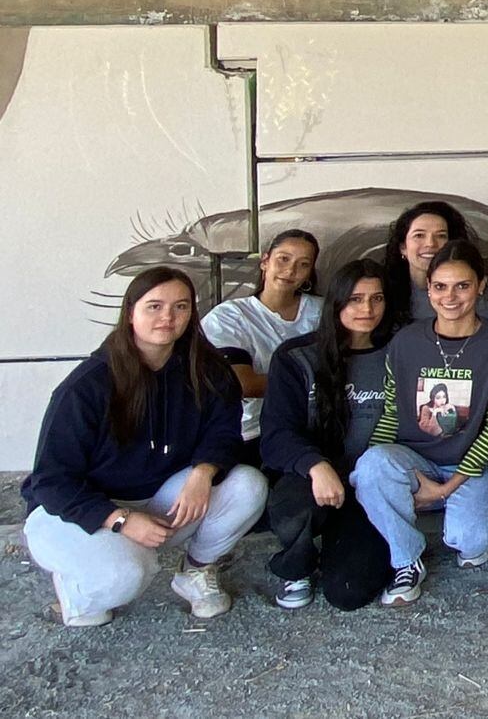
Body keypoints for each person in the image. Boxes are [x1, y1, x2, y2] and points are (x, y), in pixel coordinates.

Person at [21, 267, 266, 626]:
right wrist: (118, 519)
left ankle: (196, 572)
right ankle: (77, 589)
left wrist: (204, 472)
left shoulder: (207, 371)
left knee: (248, 485)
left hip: (156, 497)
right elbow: (51, 481)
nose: (168, 317)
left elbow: (224, 434)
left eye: (180, 307)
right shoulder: (86, 386)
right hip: (71, 511)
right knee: (125, 577)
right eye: (155, 306)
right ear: (131, 312)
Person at [353, 240, 488, 606]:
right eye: (440, 286)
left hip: (477, 466)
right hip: (418, 459)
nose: (451, 297)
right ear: (427, 288)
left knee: (470, 543)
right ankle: (406, 560)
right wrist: (388, 475)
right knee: (371, 467)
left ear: (480, 286)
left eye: (462, 286)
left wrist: (446, 489)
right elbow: (393, 415)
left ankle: (455, 509)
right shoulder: (406, 341)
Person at [259, 259, 398, 610]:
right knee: (296, 510)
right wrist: (316, 465)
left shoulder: (401, 351)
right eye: (355, 299)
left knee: (348, 592)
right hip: (312, 479)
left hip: (371, 483)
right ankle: (297, 566)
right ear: (336, 301)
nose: (366, 309)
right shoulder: (297, 357)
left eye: (376, 299)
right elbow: (276, 435)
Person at [202, 228, 322, 461]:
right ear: (265, 261)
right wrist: (311, 384)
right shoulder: (229, 316)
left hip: (311, 429)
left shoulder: (323, 312)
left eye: (303, 264)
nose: (290, 270)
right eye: (283, 259)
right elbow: (242, 383)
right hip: (251, 433)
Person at [382, 201, 484, 325]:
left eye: (441, 236)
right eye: (419, 235)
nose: (430, 243)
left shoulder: (483, 294)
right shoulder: (381, 292)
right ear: (403, 247)